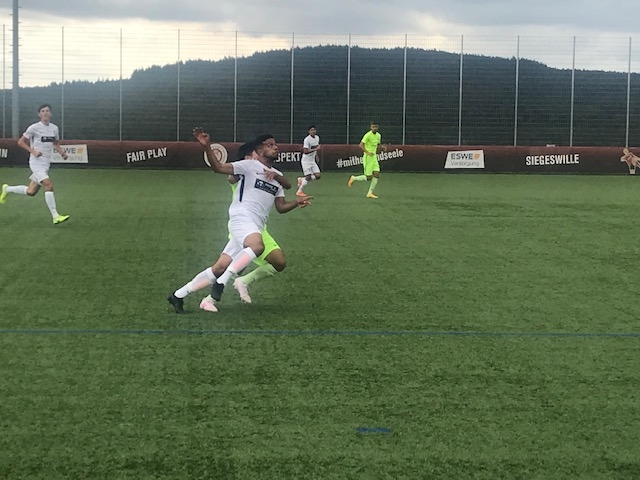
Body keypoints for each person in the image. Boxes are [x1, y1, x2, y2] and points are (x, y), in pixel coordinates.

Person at [167, 129, 312, 314]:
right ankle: (222, 283)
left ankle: (178, 295)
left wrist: (296, 202)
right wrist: (207, 146)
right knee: (256, 246)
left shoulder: (276, 175)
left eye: (275, 145)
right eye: (270, 145)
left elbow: (281, 207)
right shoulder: (249, 166)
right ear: (259, 150)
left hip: (255, 226)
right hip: (241, 218)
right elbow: (219, 168)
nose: (275, 148)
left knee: (219, 267)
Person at [199, 140, 291, 311]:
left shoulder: (270, 173)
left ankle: (239, 282)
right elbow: (227, 173)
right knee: (225, 267)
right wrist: (207, 147)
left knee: (278, 262)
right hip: (242, 225)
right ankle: (209, 297)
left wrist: (276, 177)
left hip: (258, 228)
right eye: (252, 156)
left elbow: (286, 187)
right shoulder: (242, 173)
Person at [0, 104, 70, 224]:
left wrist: (62, 153)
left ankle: (7, 189)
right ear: (39, 114)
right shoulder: (34, 127)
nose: (45, 113)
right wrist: (33, 151)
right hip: (36, 163)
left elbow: (55, 143)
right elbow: (20, 142)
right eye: (43, 111)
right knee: (48, 185)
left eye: (47, 111)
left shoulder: (54, 128)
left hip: (45, 163)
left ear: (51, 114)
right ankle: (55, 216)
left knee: (31, 191)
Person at [347, 121, 386, 199]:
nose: (374, 128)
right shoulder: (367, 135)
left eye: (376, 127)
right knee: (369, 178)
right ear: (370, 127)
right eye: (373, 127)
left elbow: (378, 144)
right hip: (368, 158)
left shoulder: (378, 135)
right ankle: (354, 178)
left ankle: (370, 193)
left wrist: (382, 147)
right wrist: (367, 152)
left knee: (376, 174)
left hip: (374, 157)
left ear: (378, 127)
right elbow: (361, 145)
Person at [296, 125, 321, 196]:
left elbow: (315, 148)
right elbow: (305, 151)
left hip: (312, 161)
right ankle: (299, 191)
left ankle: (302, 179)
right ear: (309, 132)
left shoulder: (317, 138)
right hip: (306, 161)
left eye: (314, 130)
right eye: (311, 130)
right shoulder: (307, 139)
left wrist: (316, 156)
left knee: (318, 176)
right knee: (308, 176)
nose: (313, 131)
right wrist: (316, 149)